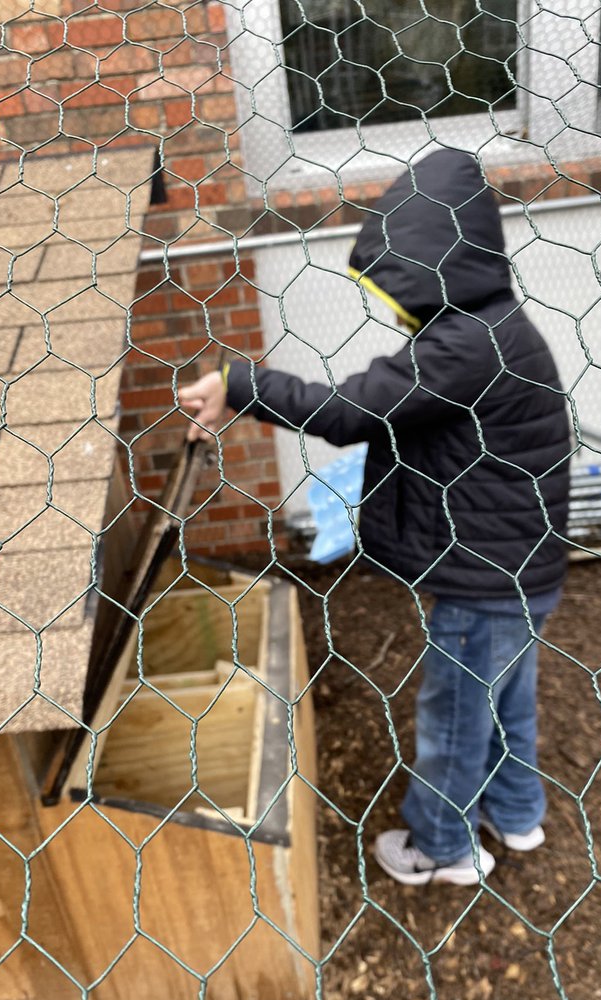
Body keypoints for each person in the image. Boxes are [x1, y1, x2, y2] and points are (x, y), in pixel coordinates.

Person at [180, 148, 571, 887]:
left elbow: (348, 411)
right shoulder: (498, 325)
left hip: (486, 581)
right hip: (526, 572)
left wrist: (239, 382)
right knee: (506, 701)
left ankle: (442, 849)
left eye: (398, 281)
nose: (392, 302)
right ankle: (518, 815)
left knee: (456, 716)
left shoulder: (463, 346)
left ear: (432, 266)